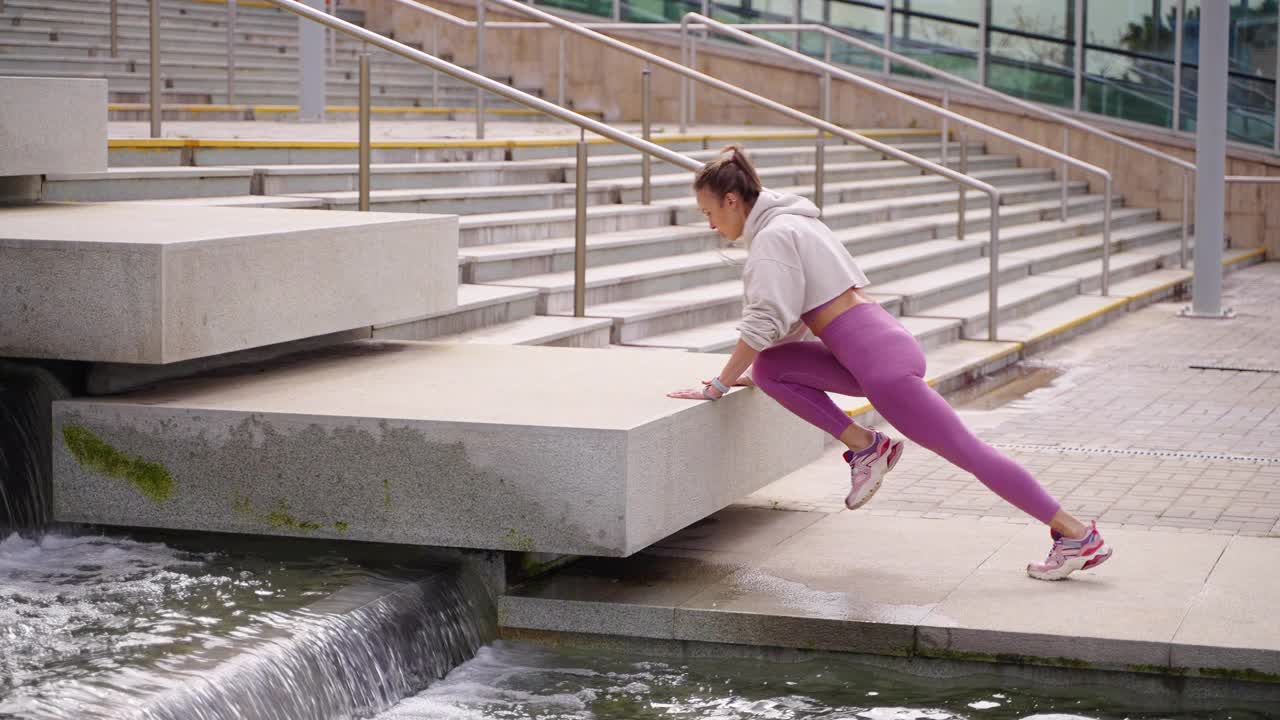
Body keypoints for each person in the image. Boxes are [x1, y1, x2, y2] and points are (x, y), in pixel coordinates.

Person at [667, 146, 1112, 581]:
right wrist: (744, 373)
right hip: (871, 347)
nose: (710, 224)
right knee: (771, 369)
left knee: (971, 453)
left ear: (731, 200)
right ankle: (868, 446)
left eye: (709, 212)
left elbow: (764, 319)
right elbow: (787, 324)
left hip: (880, 365)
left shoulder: (772, 237)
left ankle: (1076, 534)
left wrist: (718, 386)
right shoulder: (795, 222)